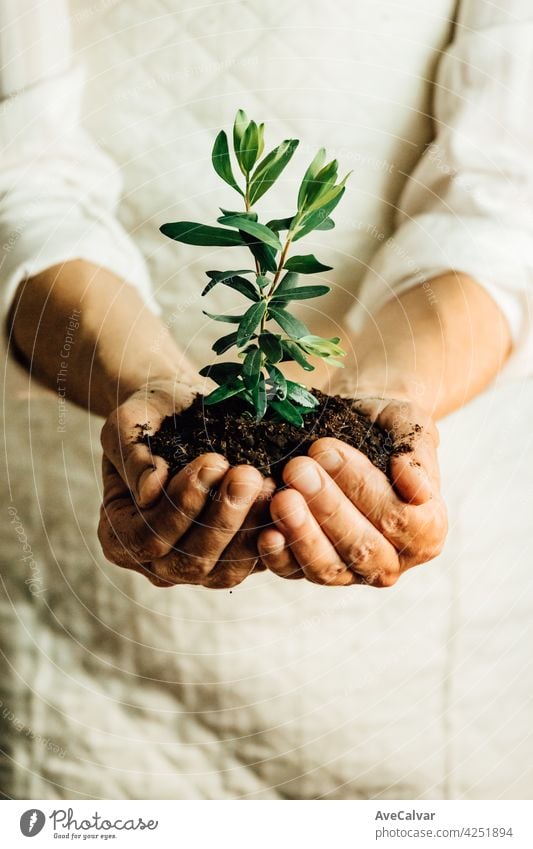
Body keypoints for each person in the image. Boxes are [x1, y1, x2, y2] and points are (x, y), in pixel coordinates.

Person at [1, 0, 531, 800]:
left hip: (431, 671)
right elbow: (17, 179)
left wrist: (388, 390)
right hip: (83, 631)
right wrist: (144, 381)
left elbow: (506, 199)